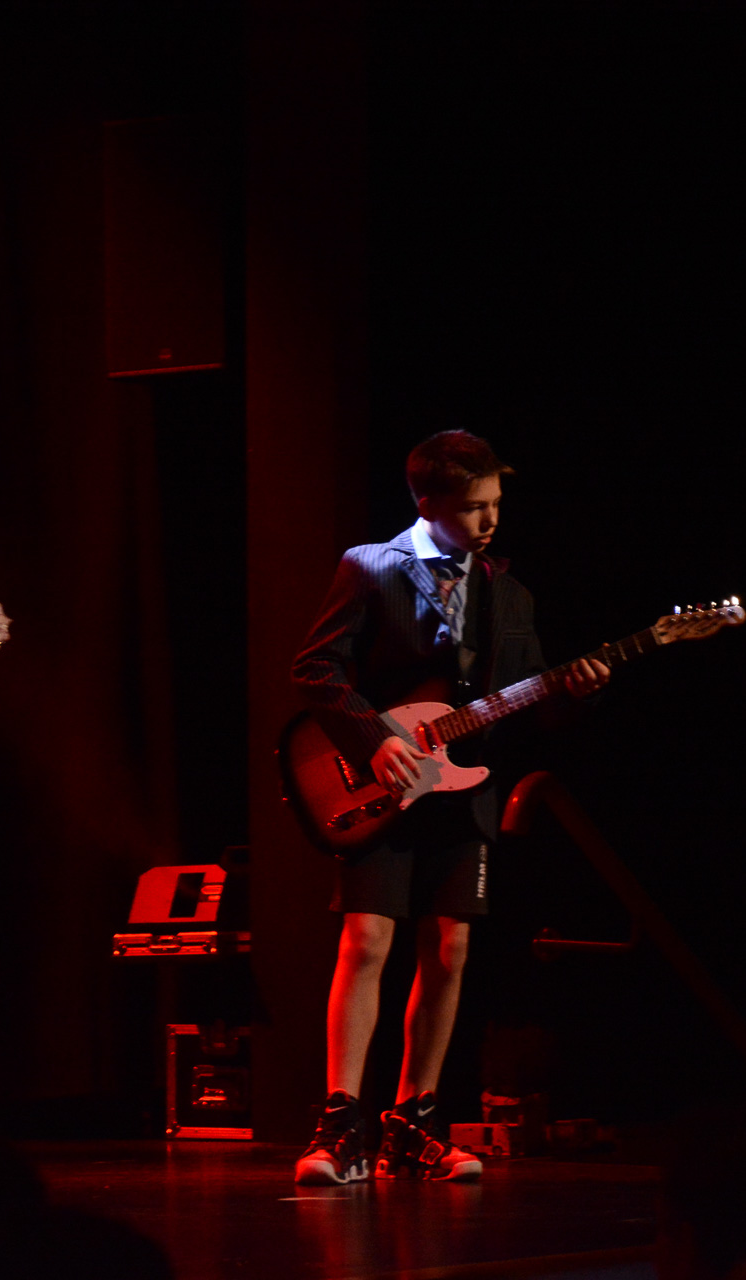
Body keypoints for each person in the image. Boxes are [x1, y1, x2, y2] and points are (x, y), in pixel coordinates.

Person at [290, 430, 609, 1183]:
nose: (489, 521)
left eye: (495, 504)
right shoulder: (371, 566)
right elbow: (315, 667)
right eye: (471, 508)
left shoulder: (510, 593)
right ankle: (340, 1122)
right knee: (367, 941)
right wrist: (374, 739)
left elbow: (529, 706)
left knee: (450, 949)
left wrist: (575, 694)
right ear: (427, 502)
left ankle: (416, 1121)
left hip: (463, 790)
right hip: (385, 782)